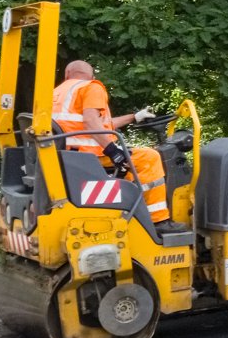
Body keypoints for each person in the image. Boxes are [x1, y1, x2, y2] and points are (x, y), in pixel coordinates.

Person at [52, 60, 176, 228]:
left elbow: (99, 124)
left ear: (67, 75)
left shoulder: (57, 92)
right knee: (150, 157)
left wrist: (134, 117)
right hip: (90, 155)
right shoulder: (91, 87)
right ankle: (158, 221)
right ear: (91, 76)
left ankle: (135, 206)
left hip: (68, 154)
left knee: (133, 159)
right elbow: (90, 122)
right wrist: (113, 151)